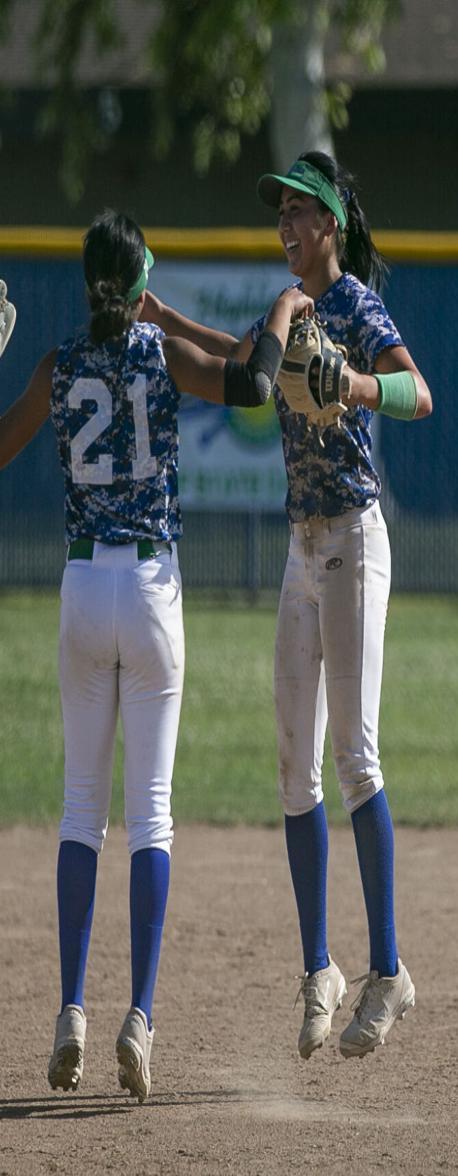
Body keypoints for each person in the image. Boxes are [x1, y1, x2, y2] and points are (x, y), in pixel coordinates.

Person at [0, 209, 312, 1103]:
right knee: (153, 818)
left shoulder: (57, 365)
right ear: (139, 286)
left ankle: (69, 1012)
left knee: (77, 814)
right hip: (150, 590)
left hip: (80, 591)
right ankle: (138, 1017)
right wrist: (284, 311)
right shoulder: (157, 354)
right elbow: (254, 386)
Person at [142, 150, 433, 1061]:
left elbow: (418, 392)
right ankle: (321, 969)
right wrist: (159, 315)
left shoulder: (352, 306)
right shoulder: (292, 307)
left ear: (331, 226)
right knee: (291, 769)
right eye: (281, 215)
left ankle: (389, 972)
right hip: (302, 548)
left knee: (355, 755)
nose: (287, 227)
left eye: (301, 213)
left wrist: (351, 383)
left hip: (354, 540)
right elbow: (242, 364)